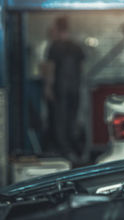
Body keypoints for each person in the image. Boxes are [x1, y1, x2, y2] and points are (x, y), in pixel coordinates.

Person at [42, 16, 85, 161]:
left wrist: (48, 87)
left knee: (59, 121)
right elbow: (81, 69)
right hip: (75, 89)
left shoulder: (54, 46)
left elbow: (51, 69)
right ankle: (75, 151)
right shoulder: (76, 46)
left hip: (60, 90)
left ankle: (64, 152)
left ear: (57, 28)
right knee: (72, 121)